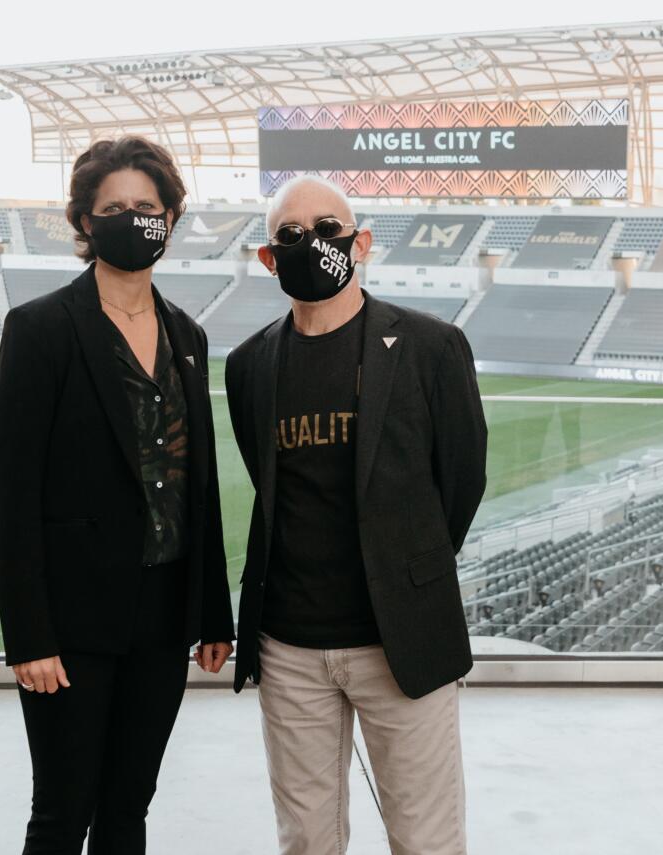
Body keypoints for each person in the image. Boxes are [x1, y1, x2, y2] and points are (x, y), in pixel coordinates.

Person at [225, 175, 488, 854]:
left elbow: (460, 481)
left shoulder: (432, 348)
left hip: (401, 638)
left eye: (327, 227)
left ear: (361, 242)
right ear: (267, 258)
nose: (310, 242)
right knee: (307, 840)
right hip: (288, 647)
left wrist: (411, 570)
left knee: (425, 838)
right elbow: (269, 481)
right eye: (290, 234)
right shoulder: (249, 365)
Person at [0, 135, 235, 855]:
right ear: (86, 221)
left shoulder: (187, 334)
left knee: (130, 807)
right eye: (116, 207)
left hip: (161, 620)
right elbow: (15, 490)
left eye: (148, 207)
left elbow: (201, 481)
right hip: (71, 625)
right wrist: (29, 634)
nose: (135, 219)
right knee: (63, 812)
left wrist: (212, 611)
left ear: (170, 217)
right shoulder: (40, 330)